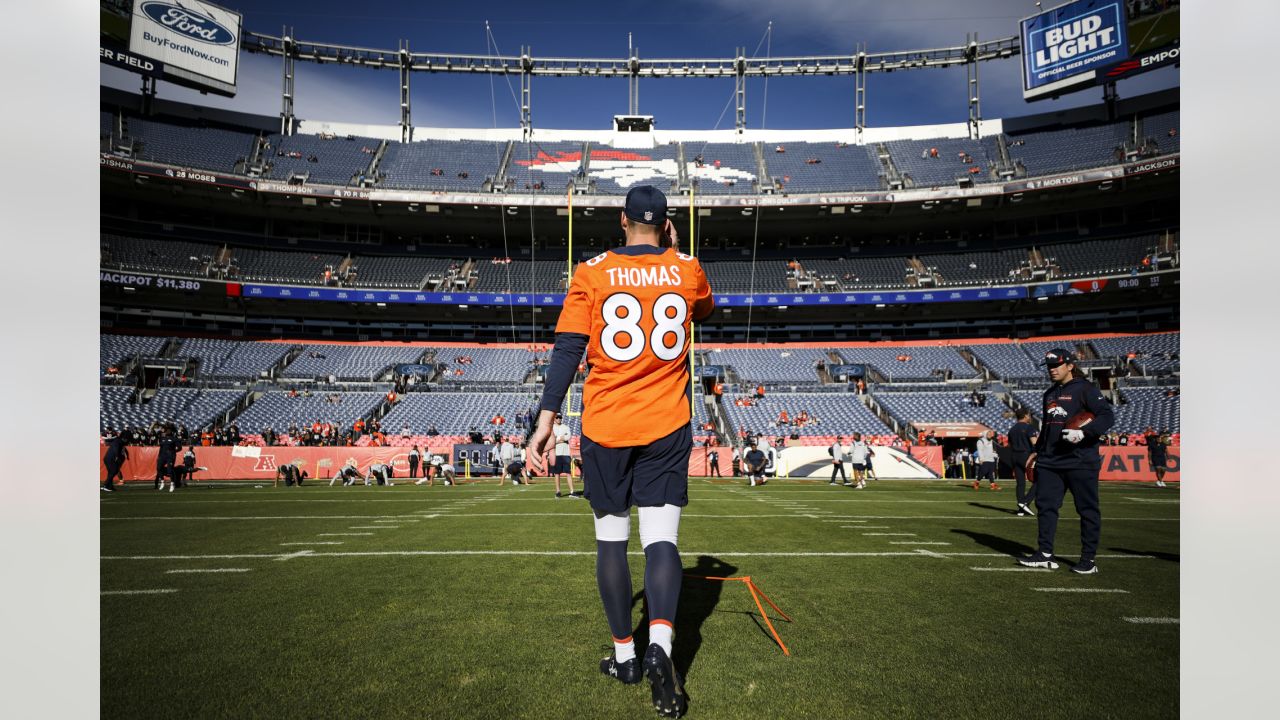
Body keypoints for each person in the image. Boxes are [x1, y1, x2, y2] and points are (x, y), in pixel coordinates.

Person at [527, 185, 712, 717]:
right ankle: (661, 647)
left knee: (612, 540)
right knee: (662, 540)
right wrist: (673, 254)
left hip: (606, 424)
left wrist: (546, 419)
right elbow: (704, 308)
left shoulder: (591, 272)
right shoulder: (687, 268)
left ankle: (626, 656)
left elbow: (568, 348)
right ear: (668, 223)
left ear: (621, 220)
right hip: (666, 421)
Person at [1018, 349, 1115, 575]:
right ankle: (1045, 554)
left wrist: (1085, 433)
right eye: (1049, 366)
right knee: (1046, 507)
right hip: (1050, 460)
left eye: (1057, 365)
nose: (1052, 370)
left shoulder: (1086, 389)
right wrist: (1037, 451)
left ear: (1070, 365)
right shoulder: (1049, 394)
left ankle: (1088, 559)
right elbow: (1047, 427)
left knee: (1087, 509)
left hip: (1080, 459)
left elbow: (1107, 416)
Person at [1008, 410, 1039, 515]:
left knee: (1020, 483)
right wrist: (1034, 454)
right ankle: (1025, 502)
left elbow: (1010, 445)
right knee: (1040, 480)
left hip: (1014, 456)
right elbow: (1035, 444)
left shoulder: (1012, 429)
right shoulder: (1029, 427)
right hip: (1026, 455)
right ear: (1026, 416)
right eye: (1029, 415)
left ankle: (1021, 509)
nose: (1030, 417)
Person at [551, 413, 577, 498]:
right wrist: (560, 439)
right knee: (557, 473)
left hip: (565, 453)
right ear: (554, 418)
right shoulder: (552, 428)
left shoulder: (566, 427)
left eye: (560, 417)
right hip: (556, 454)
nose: (559, 419)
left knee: (568, 473)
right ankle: (558, 491)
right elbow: (551, 441)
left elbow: (568, 437)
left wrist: (558, 439)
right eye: (557, 417)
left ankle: (572, 491)